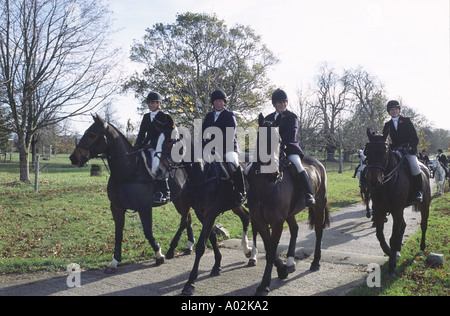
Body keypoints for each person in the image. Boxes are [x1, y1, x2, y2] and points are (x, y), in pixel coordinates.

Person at [265, 88, 315, 207]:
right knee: (253, 166)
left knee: (298, 165)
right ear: (274, 104)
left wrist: (277, 142)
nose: (282, 104)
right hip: (271, 149)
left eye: (284, 102)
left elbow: (291, 134)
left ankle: (308, 194)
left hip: (289, 148)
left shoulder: (292, 117)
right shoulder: (268, 118)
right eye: (279, 102)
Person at [202, 89, 246, 204]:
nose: (218, 103)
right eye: (216, 101)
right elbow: (203, 132)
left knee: (233, 163)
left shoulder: (229, 115)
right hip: (211, 149)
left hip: (228, 147)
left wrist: (215, 143)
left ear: (224, 102)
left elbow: (230, 134)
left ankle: (241, 191)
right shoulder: (209, 116)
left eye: (220, 101)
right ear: (213, 103)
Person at [135, 91, 173, 205]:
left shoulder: (164, 117)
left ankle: (163, 191)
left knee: (155, 162)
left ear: (158, 103)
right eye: (149, 103)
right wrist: (136, 145)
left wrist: (153, 144)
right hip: (147, 144)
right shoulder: (146, 117)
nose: (151, 105)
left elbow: (166, 134)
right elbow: (142, 133)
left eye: (153, 103)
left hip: (160, 146)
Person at [382, 100, 423, 202]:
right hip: (395, 150)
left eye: (396, 109)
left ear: (399, 110)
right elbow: (384, 140)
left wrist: (410, 147)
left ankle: (418, 191)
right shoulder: (387, 124)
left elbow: (415, 138)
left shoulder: (406, 121)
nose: (394, 111)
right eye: (392, 110)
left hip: (408, 150)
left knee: (414, 166)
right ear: (389, 111)